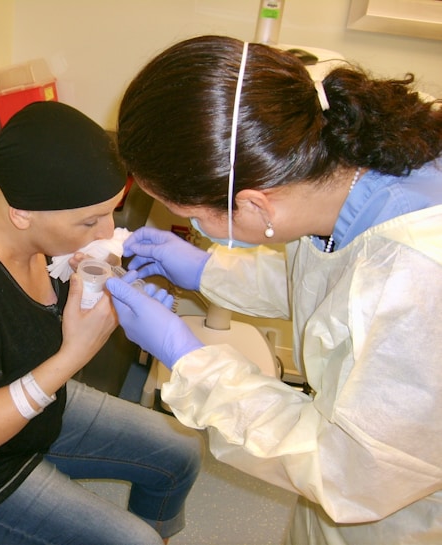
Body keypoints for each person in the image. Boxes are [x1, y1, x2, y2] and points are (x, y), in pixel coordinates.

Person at [106, 35, 442, 545]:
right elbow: (334, 280)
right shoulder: (338, 163)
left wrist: (190, 360)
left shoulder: (420, 278)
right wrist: (206, 269)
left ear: (257, 206)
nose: (192, 226)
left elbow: (350, 474)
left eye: (193, 216)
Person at [0, 100, 201, 545]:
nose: (105, 232)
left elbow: (33, 312)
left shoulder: (18, 211)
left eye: (113, 211)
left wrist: (107, 283)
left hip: (35, 408)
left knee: (181, 453)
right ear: (22, 215)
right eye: (89, 221)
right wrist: (75, 352)